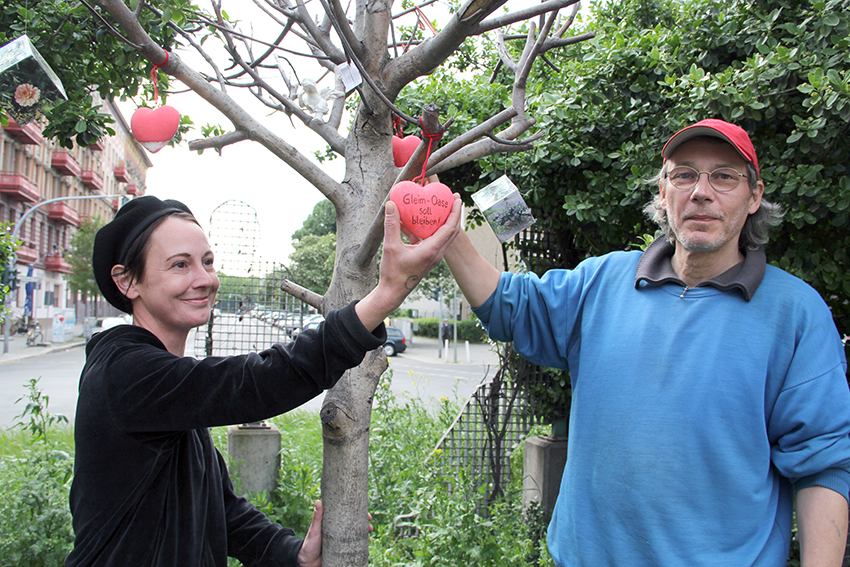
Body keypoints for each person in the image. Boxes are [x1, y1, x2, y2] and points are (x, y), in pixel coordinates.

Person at [441, 119, 850, 566]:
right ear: (663, 191)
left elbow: (824, 467)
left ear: (754, 196)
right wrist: (443, 226)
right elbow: (510, 306)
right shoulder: (603, 280)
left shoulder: (796, 313)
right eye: (685, 174)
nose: (701, 192)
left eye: (724, 176)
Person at [66, 194, 461, 567]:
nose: (205, 279)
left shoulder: (167, 386)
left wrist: (292, 554)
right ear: (126, 282)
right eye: (179, 265)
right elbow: (257, 381)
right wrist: (384, 295)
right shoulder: (124, 373)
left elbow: (221, 510)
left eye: (207, 261)